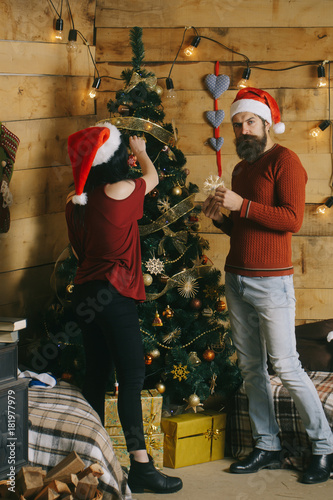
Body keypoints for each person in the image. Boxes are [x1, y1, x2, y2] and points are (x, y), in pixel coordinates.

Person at [203, 87, 333, 484]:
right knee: (250, 367)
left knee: (287, 367)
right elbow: (245, 227)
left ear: (266, 123)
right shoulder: (242, 168)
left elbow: (291, 220)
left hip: (272, 283)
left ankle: (324, 449)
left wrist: (239, 205)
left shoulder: (286, 161)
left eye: (250, 122)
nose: (243, 130)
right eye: (238, 124)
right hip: (236, 278)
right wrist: (220, 218)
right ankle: (267, 445)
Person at [65, 122, 183, 494]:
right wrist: (142, 149)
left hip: (85, 293)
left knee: (96, 376)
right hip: (113, 295)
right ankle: (143, 467)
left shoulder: (74, 200)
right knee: (131, 379)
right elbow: (153, 177)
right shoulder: (123, 189)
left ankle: (92, 464)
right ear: (117, 158)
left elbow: (78, 250)